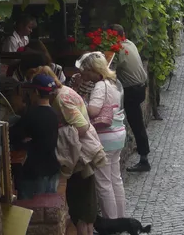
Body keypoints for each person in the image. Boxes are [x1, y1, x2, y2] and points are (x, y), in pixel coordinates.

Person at [29, 66, 100, 235]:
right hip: (81, 154)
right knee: (84, 207)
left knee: (81, 207)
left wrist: (58, 131)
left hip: (81, 156)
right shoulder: (63, 91)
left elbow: (82, 127)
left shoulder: (62, 99)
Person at [77, 52, 128, 219]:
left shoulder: (100, 86)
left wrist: (82, 100)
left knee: (104, 182)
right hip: (118, 134)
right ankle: (120, 218)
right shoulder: (114, 82)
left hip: (105, 137)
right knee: (115, 179)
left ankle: (111, 222)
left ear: (94, 70)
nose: (84, 74)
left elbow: (93, 111)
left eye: (85, 71)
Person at [12, 73, 60, 200]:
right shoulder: (54, 114)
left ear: (36, 92)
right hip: (52, 167)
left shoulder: (31, 115)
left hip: (34, 171)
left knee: (32, 209)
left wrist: (24, 143)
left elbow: (13, 135)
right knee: (49, 206)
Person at [110, 25, 151, 172]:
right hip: (140, 87)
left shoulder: (119, 49)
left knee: (136, 123)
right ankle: (141, 151)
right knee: (136, 122)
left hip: (132, 90)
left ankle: (144, 159)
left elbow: (110, 70)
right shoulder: (130, 43)